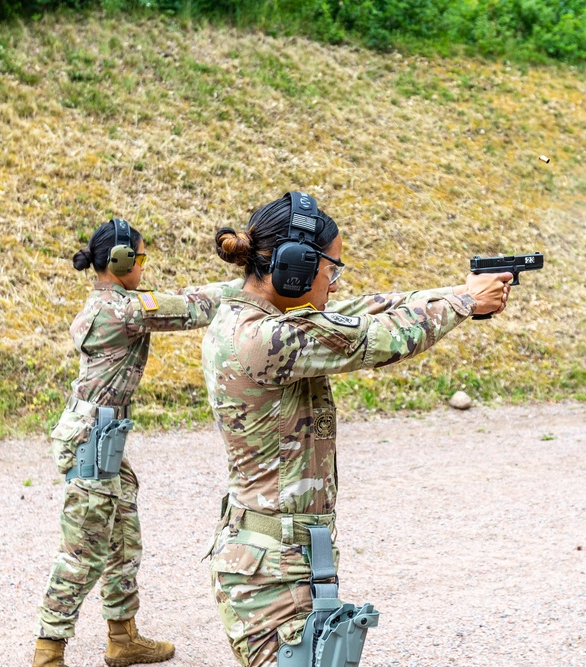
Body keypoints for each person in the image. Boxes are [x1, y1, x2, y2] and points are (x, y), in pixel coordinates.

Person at [201, 192, 512, 666]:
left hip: (274, 553)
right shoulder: (271, 339)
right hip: (278, 571)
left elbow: (362, 308)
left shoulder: (241, 314)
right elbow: (378, 336)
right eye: (332, 269)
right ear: (295, 269)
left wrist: (455, 293)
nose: (333, 282)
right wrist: (467, 302)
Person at [32, 219, 243, 667]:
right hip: (93, 438)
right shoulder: (122, 310)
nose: (144, 267)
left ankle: (122, 637)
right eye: (140, 258)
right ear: (121, 261)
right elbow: (194, 306)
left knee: (123, 537)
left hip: (103, 435)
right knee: (83, 550)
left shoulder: (109, 302)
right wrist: (252, 282)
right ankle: (47, 652)